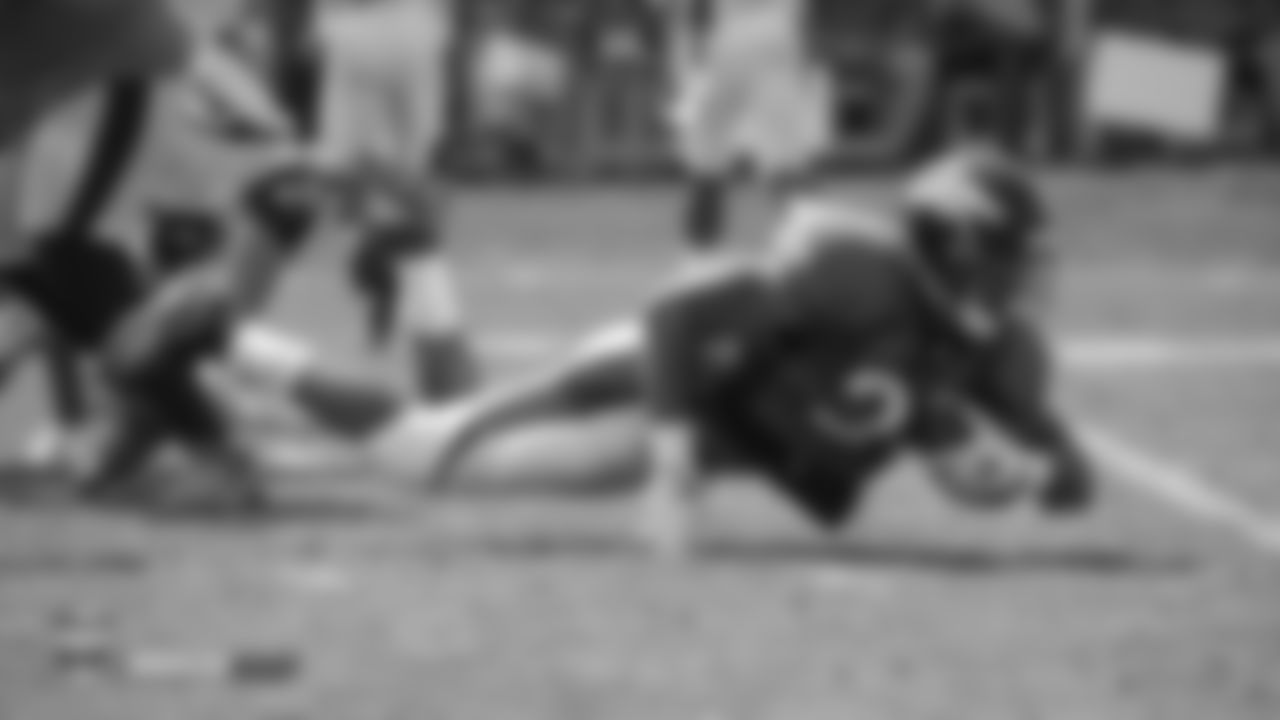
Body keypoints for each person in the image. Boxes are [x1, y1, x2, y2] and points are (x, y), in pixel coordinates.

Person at [233, 146, 1094, 555]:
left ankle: (418, 254)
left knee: (458, 421)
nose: (1023, 288)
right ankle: (230, 336)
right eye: (1012, 262)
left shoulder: (993, 349)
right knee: (419, 455)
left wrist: (1046, 475)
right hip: (647, 393)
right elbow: (678, 316)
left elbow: (1056, 455)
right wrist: (673, 460)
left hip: (705, 437)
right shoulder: (851, 269)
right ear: (959, 249)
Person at [662, 0, 834, 258]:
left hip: (735, 39)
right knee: (780, 158)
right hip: (771, 37)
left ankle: (698, 256)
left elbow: (688, 12)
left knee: (709, 156)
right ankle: (815, 247)